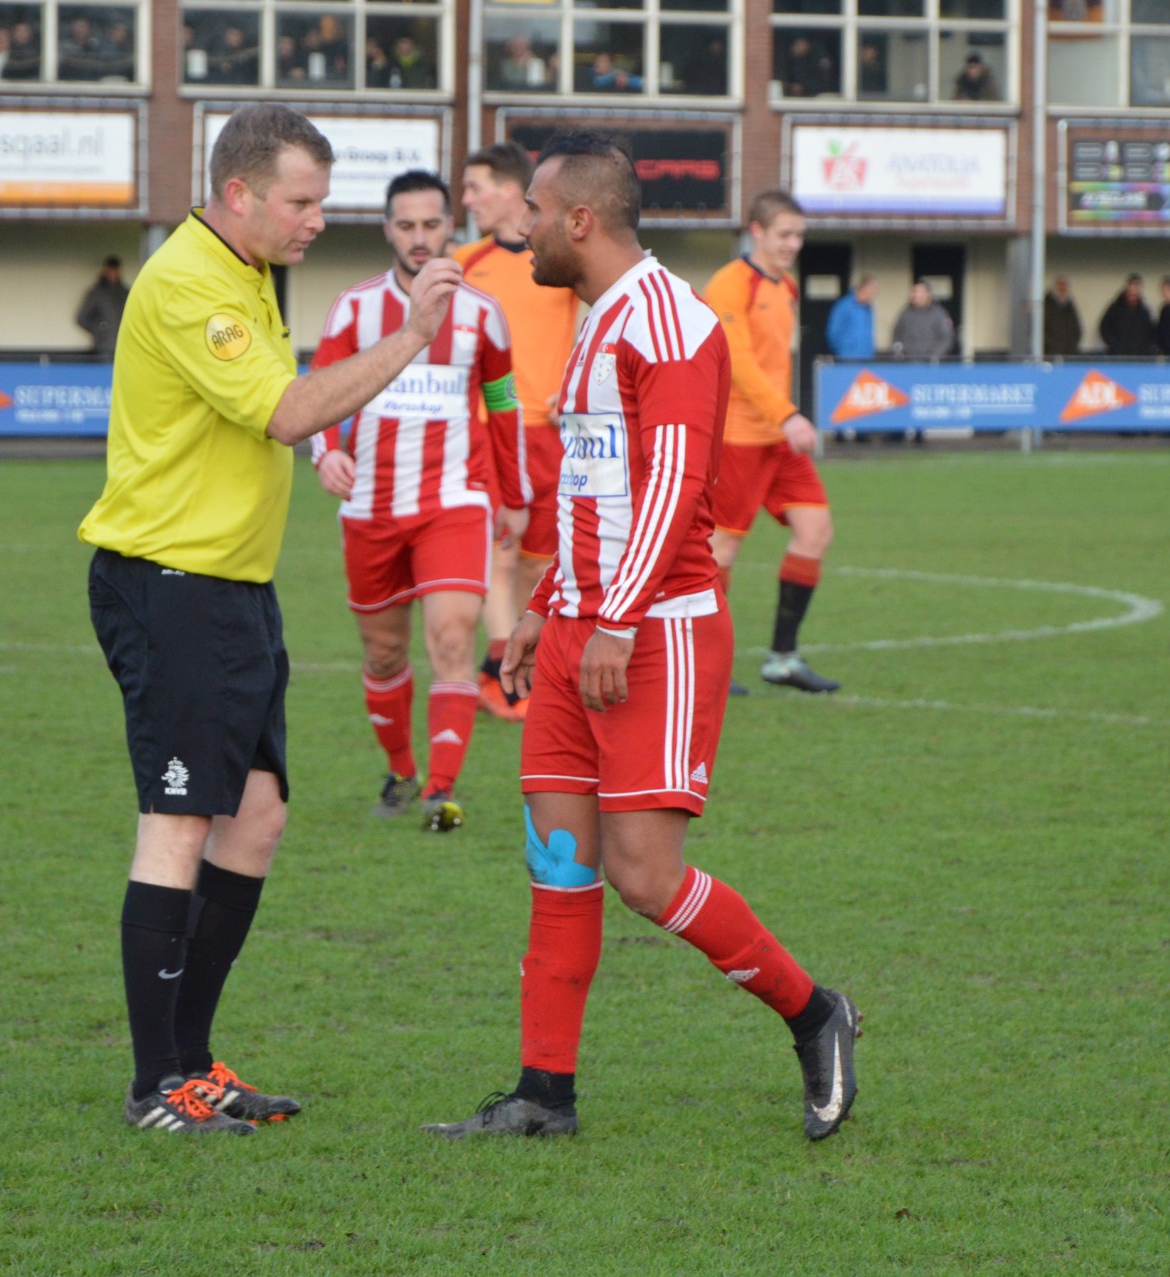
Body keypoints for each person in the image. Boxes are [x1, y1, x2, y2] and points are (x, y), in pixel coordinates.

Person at [423, 132, 862, 1143]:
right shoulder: (599, 316)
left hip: (655, 632)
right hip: (582, 627)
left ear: (579, 218)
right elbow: (596, 487)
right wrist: (545, 608)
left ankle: (815, 1010)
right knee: (559, 856)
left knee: (645, 871)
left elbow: (672, 485)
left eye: (532, 209)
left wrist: (613, 614)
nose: (519, 227)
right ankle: (544, 1092)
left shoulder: (667, 318)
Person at [77, 103, 464, 1136]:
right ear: (239, 192)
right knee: (178, 821)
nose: (315, 221)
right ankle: (155, 1081)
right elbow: (289, 405)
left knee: (255, 819)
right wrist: (415, 333)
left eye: (322, 202)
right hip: (171, 586)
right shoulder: (197, 280)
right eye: (301, 201)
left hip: (232, 592)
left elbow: (253, 414)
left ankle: (193, 1061)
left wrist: (307, 447)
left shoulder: (243, 272)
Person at [309, 170, 527, 832]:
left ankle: (441, 788)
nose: (420, 237)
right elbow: (320, 389)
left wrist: (513, 493)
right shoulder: (354, 310)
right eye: (406, 225)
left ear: (449, 229)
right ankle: (401, 769)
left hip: (452, 501)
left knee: (454, 635)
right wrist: (328, 452)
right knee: (383, 653)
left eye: (432, 224)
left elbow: (502, 400)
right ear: (387, 230)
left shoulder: (483, 313)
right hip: (371, 506)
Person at [458, 142, 582, 723]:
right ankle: (502, 676)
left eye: (475, 188)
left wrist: (575, 382)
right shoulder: (463, 262)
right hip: (489, 434)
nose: (467, 200)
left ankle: (513, 665)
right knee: (500, 560)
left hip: (551, 436)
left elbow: (596, 319)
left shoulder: (555, 258)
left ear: (510, 192)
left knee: (538, 563)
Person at [704, 191, 842, 697]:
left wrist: (782, 419)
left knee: (816, 530)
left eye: (799, 235)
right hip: (737, 438)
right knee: (720, 552)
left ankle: (782, 659)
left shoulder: (785, 286)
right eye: (785, 234)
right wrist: (786, 413)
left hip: (776, 440)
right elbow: (736, 362)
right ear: (756, 231)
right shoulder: (728, 284)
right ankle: (704, 667)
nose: (793, 244)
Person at [77, 256, 129, 359]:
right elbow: (81, 318)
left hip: (124, 346)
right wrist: (100, 330)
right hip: (103, 347)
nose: (113, 274)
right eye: (110, 270)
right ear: (105, 271)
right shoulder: (96, 293)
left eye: (115, 270)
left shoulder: (125, 293)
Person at [891, 279, 956, 359]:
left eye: (918, 292)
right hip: (908, 363)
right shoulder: (905, 314)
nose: (914, 295)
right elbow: (896, 335)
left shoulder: (939, 314)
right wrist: (898, 352)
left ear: (928, 294)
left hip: (930, 364)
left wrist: (935, 355)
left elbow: (946, 339)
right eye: (913, 292)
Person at [1098, 274, 1154, 356]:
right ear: (1127, 287)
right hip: (1118, 355)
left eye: (1137, 287)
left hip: (1138, 356)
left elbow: (1150, 332)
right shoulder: (1115, 308)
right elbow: (1104, 327)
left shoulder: (1144, 311)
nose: (1134, 290)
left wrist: (1145, 348)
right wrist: (1115, 345)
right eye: (1133, 286)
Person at [825, 275, 877, 359]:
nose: (874, 293)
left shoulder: (869, 308)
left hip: (867, 358)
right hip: (847, 358)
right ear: (865, 288)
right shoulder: (843, 305)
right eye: (873, 290)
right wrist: (842, 350)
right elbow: (833, 332)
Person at [1043, 275, 1081, 359]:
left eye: (1065, 286)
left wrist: (1072, 348)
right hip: (1049, 354)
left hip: (1068, 355)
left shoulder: (1070, 307)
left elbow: (1076, 330)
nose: (1062, 289)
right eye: (1060, 286)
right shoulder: (1046, 306)